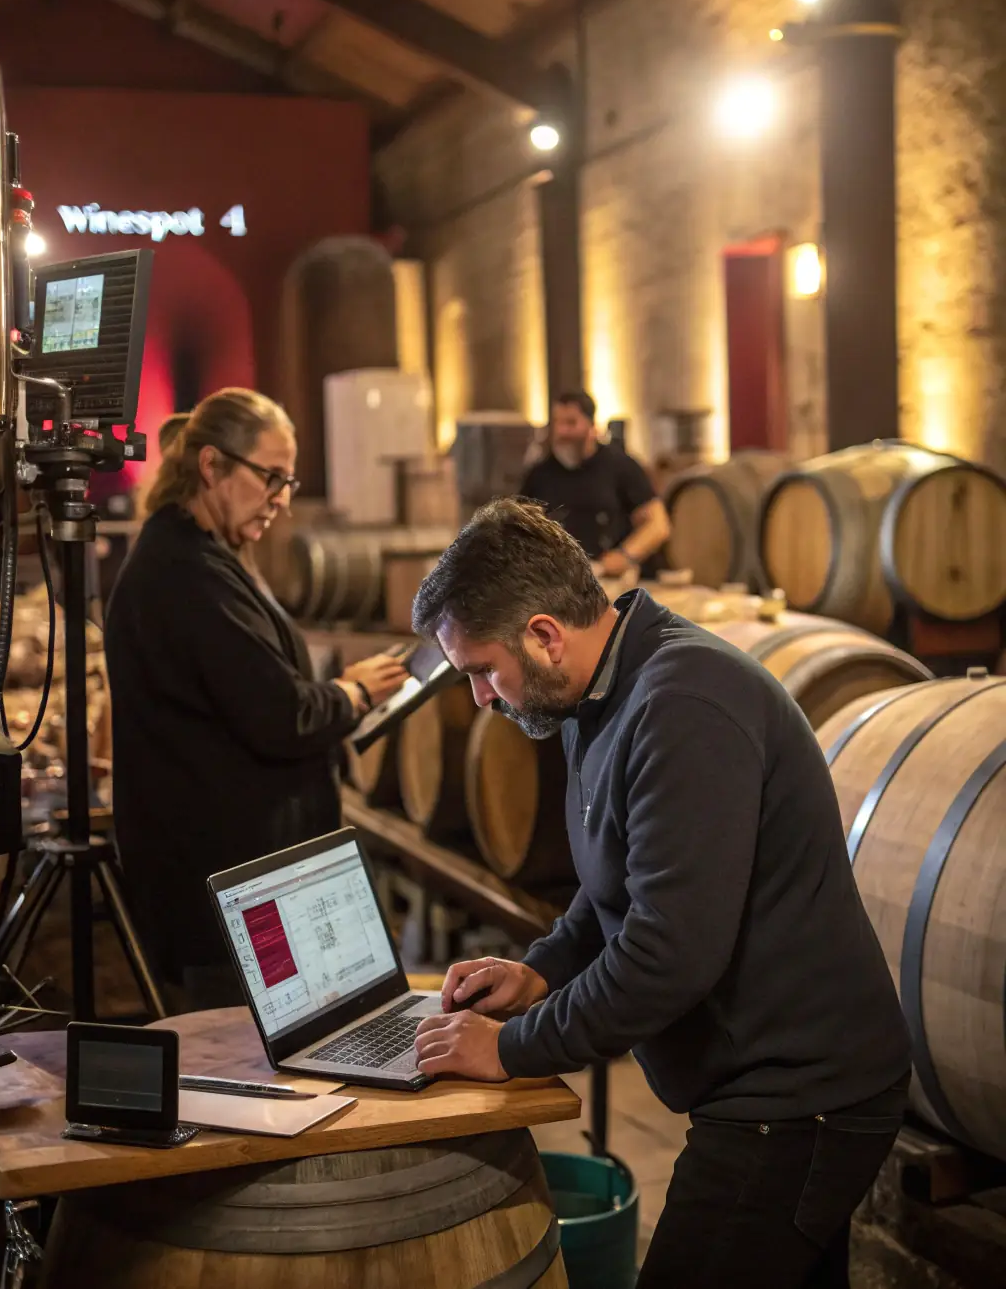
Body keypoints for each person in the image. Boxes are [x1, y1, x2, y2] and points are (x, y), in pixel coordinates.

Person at [410, 498, 912, 1289]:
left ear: (543, 634)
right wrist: (540, 971)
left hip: (799, 1097)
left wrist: (510, 1048)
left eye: (480, 670)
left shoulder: (682, 706)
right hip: (769, 1084)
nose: (479, 698)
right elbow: (617, 883)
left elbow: (669, 952)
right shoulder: (597, 692)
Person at [104, 388, 407, 1009]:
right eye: (271, 477)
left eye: (289, 481)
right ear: (212, 465)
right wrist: (352, 692)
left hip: (246, 874)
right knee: (249, 1072)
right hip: (231, 887)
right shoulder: (186, 572)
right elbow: (279, 716)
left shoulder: (201, 555)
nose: (283, 499)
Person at [519, 391, 669, 580]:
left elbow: (658, 524)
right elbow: (519, 530)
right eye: (557, 423)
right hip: (560, 585)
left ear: (591, 426)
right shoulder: (539, 474)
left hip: (613, 583)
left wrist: (625, 556)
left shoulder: (620, 466)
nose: (562, 432)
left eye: (571, 423)